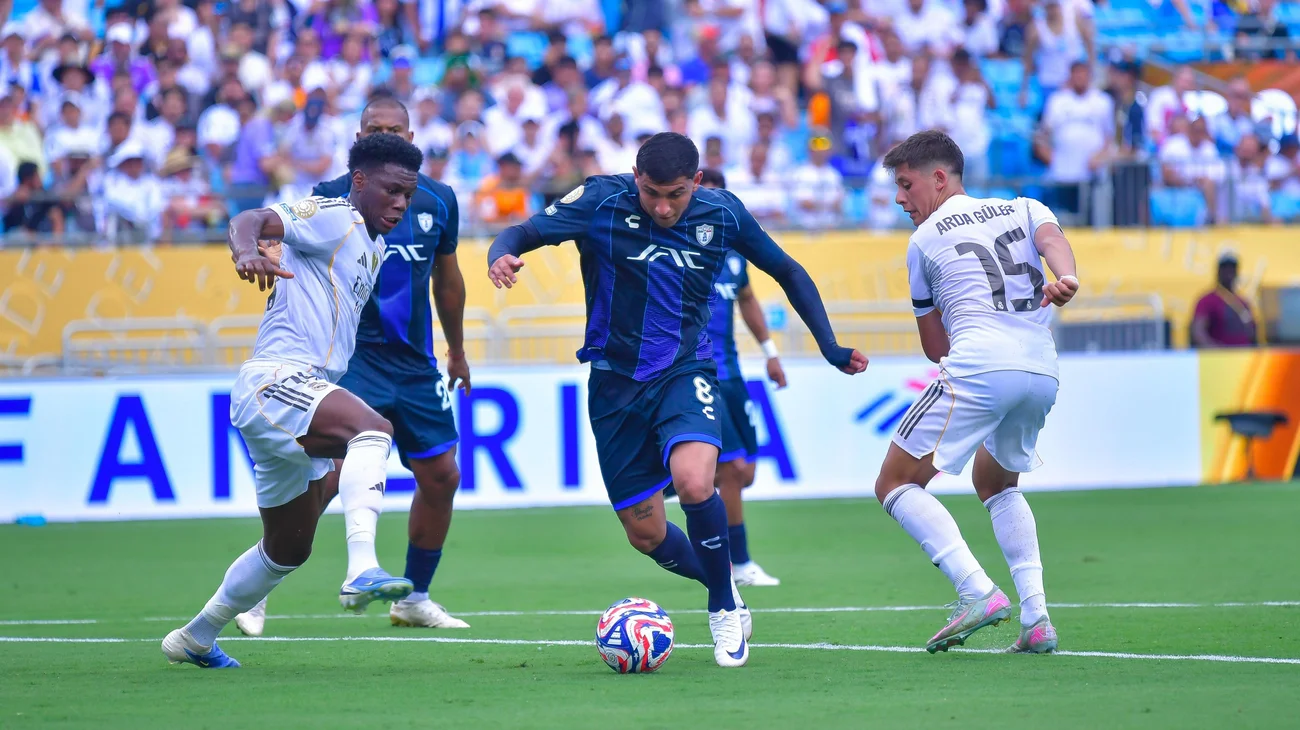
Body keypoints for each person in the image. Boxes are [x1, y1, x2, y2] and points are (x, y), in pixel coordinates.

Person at [487, 133, 868, 667]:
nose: (663, 208)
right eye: (652, 194)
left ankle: (722, 610)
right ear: (635, 178)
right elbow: (523, 231)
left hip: (685, 371)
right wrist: (500, 256)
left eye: (676, 195)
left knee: (694, 482)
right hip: (615, 384)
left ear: (697, 182)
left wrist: (829, 346)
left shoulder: (723, 213)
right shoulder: (600, 199)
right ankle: (725, 585)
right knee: (645, 533)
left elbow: (787, 270)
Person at [162, 133, 424, 669]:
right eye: (392, 190)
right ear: (359, 181)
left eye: (408, 195)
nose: (401, 203)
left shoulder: (373, 247)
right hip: (275, 380)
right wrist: (246, 251)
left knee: (288, 547)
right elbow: (250, 219)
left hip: (300, 394)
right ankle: (362, 569)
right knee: (373, 431)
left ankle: (195, 637)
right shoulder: (334, 216)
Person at [234, 98, 471, 636]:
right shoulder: (334, 197)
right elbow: (278, 232)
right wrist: (259, 247)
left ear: (411, 137)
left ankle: (415, 598)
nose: (387, 136)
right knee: (333, 476)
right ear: (360, 140)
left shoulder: (439, 200)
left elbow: (448, 280)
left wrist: (456, 350)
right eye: (375, 129)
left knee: (443, 474)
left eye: (396, 130)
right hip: (355, 359)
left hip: (415, 363)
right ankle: (260, 589)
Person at [879, 130, 1079, 655]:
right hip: (1041, 368)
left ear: (938, 179)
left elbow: (935, 347)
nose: (900, 198)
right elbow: (1053, 241)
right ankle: (1036, 618)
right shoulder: (1024, 206)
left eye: (906, 185)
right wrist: (1066, 278)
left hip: (981, 363)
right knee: (996, 481)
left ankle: (976, 591)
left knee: (895, 483)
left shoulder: (923, 240)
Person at [697, 168, 788, 587]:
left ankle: (680, 487)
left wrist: (770, 352)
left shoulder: (733, 256)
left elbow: (747, 299)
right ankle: (739, 563)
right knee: (732, 469)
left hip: (732, 374)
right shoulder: (679, 252)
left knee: (744, 472)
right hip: (699, 375)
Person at [1191, 250, 1257, 348]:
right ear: (1218, 271)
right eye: (1225, 268)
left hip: (1244, 354)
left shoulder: (1243, 302)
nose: (1229, 272)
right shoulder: (1207, 301)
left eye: (1232, 268)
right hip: (1220, 355)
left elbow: (1252, 333)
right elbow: (1198, 332)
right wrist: (1217, 351)